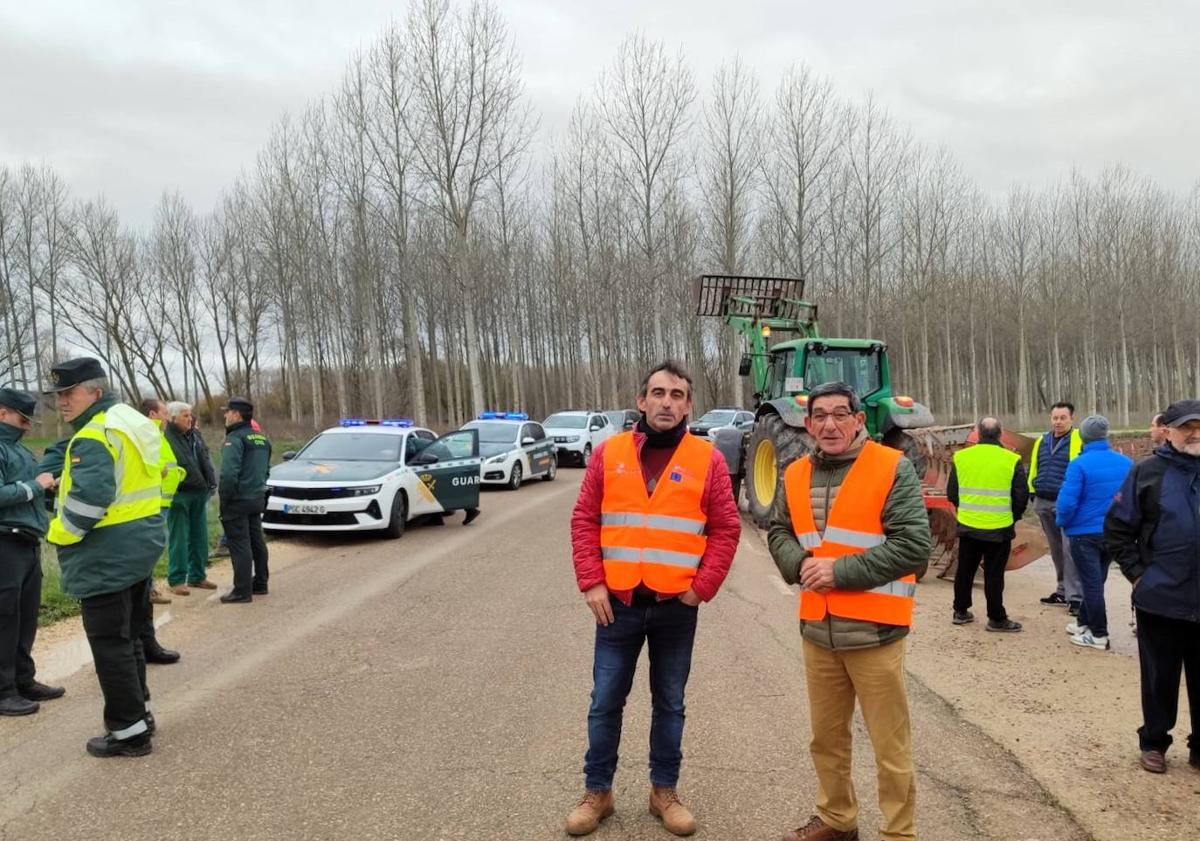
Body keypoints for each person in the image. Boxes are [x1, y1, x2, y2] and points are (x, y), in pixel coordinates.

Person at [566, 361, 740, 837]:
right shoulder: (608, 453)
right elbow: (585, 520)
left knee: (670, 703)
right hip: (616, 606)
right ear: (641, 401)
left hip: (674, 609)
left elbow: (726, 528)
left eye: (677, 394)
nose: (667, 402)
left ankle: (664, 791)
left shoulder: (708, 459)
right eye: (658, 393)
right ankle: (597, 793)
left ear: (689, 405)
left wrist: (701, 587)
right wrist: (592, 582)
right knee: (605, 702)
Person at [768, 382, 932, 841]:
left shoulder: (891, 467)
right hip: (818, 632)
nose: (830, 424)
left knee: (889, 747)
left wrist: (839, 572)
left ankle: (899, 833)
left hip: (876, 632)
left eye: (841, 414)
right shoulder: (795, 473)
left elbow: (914, 547)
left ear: (859, 421)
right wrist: (798, 564)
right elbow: (778, 531)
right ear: (807, 423)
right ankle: (838, 820)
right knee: (826, 740)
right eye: (820, 416)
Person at [42, 358, 164, 757]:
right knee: (128, 637)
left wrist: (58, 532)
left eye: (69, 393)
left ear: (94, 391)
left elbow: (90, 501)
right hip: (138, 543)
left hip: (105, 552)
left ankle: (128, 733)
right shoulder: (129, 419)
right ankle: (140, 713)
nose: (61, 402)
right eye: (58, 395)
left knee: (110, 644)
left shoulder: (93, 435)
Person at [1105, 399, 1200, 774]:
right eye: (1186, 427)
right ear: (1168, 430)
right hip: (1160, 597)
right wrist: (1139, 575)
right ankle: (1154, 742)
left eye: (1199, 426)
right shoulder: (1147, 472)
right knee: (1160, 676)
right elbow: (1116, 529)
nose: (1194, 433)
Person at [0, 387, 64, 716]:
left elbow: (31, 493)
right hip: (4, 542)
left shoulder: (19, 451)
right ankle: (3, 690)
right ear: (2, 413)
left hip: (27, 541)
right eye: (23, 419)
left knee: (25, 616)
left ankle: (23, 679)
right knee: (5, 618)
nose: (27, 426)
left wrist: (48, 491)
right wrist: (35, 486)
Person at [1056, 415, 1132, 651]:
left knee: (1091, 583)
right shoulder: (1126, 463)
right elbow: (1132, 499)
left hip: (1083, 532)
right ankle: (1083, 622)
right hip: (1113, 532)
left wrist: (1063, 522)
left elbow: (1067, 502)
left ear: (1084, 437)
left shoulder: (1079, 464)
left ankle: (1099, 634)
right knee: (1097, 578)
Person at [947, 417, 1028, 632]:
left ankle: (961, 611)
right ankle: (996, 618)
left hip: (968, 525)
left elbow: (952, 494)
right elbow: (1021, 497)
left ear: (978, 433)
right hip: (999, 528)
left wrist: (966, 511)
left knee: (965, 569)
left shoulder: (961, 458)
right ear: (1001, 433)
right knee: (994, 574)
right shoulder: (1011, 460)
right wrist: (1013, 517)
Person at [130, 398, 183, 666]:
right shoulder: (142, 433)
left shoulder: (155, 433)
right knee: (139, 582)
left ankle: (147, 643)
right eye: (163, 413)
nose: (166, 418)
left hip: (156, 507)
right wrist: (159, 472)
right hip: (142, 512)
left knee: (144, 581)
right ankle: (135, 648)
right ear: (152, 414)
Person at [1030, 402, 1084, 611]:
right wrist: (1032, 493)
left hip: (1067, 502)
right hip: (1043, 500)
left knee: (1071, 550)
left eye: (1063, 418)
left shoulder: (1079, 439)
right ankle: (1062, 591)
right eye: (1055, 418)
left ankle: (1076, 597)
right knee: (1056, 550)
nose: (1058, 422)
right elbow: (1035, 466)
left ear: (1072, 418)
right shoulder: (1042, 440)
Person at [218, 397, 271, 604]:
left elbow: (229, 473)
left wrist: (226, 497)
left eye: (227, 412)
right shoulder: (261, 439)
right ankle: (261, 583)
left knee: (239, 544)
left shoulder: (235, 439)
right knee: (257, 540)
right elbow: (266, 470)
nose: (225, 415)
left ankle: (242, 590)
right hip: (257, 497)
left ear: (237, 415)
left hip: (238, 499)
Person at [163, 401, 217, 593]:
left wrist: (211, 481)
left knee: (199, 536)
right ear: (173, 418)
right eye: (185, 415)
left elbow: (205, 459)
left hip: (199, 491)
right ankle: (177, 579)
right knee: (179, 537)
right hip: (179, 493)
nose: (190, 418)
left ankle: (197, 576)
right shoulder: (165, 437)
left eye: (190, 415)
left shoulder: (195, 434)